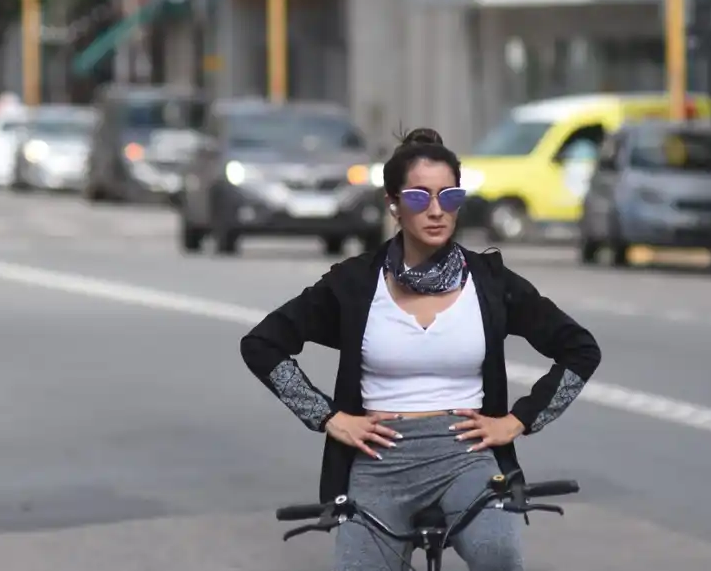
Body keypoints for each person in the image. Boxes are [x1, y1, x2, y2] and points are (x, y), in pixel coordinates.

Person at [241, 127, 601, 571]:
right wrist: (328, 417)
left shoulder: (489, 282)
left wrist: (519, 420)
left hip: (466, 458)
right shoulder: (354, 284)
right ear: (393, 204)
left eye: (448, 197)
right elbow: (262, 344)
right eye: (418, 198)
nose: (435, 211)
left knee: (499, 556)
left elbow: (581, 350)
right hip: (378, 460)